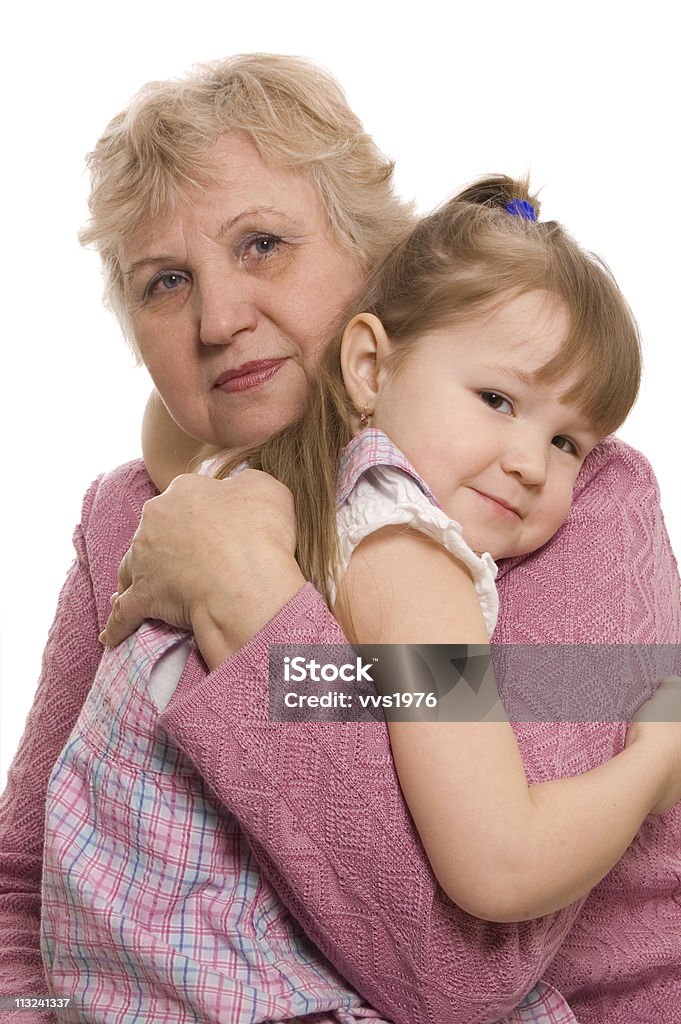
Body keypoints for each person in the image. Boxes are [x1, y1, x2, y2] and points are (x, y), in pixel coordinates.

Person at [0, 54, 678, 1024]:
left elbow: (465, 972)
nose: (220, 319)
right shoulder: (144, 516)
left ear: (374, 255)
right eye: (164, 283)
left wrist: (253, 602)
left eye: (264, 244)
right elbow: (24, 889)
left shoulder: (560, 493)